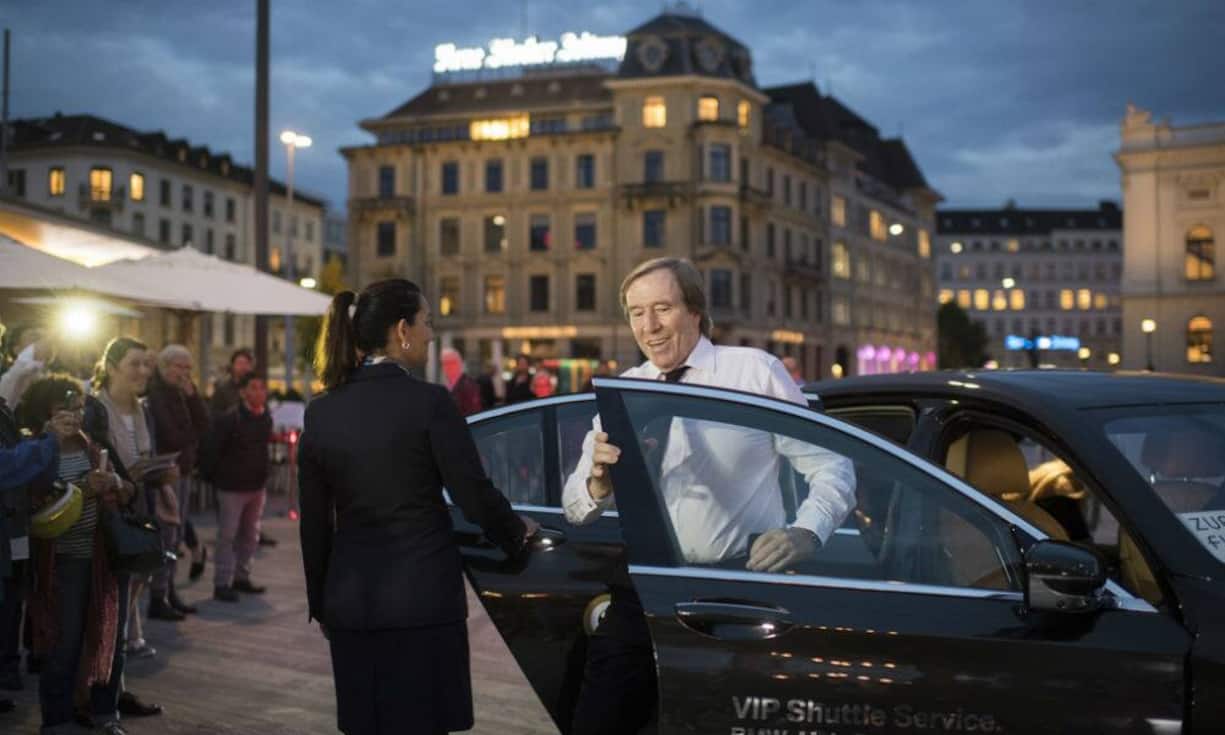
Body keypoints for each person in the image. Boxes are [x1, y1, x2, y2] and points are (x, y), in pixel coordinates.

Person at [561, 258, 856, 735]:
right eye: (636, 313)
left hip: (738, 593)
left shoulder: (754, 373)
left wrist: (807, 532)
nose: (649, 326)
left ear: (695, 311)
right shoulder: (626, 389)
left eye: (662, 308)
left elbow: (832, 466)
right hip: (643, 590)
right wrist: (599, 483)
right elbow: (575, 509)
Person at [298, 279, 537, 735]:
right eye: (427, 322)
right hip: (422, 603)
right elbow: (471, 492)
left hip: (353, 604)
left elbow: (314, 522)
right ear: (402, 330)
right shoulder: (429, 402)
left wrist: (322, 603)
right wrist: (515, 533)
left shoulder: (321, 411)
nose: (431, 334)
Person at [21, 374, 135, 735]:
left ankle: (105, 713)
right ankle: (57, 720)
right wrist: (85, 488)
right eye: (64, 409)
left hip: (103, 557)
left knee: (109, 637)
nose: (74, 415)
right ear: (45, 413)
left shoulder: (93, 446)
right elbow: (36, 508)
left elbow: (129, 489)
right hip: (63, 561)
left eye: (79, 407)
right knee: (64, 642)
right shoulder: (36, 452)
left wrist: (115, 484)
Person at [86, 337, 164, 720]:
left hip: (135, 508)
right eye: (135, 363)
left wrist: (157, 474)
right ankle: (99, 696)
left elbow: (143, 457)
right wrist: (124, 478)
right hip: (106, 517)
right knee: (107, 612)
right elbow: (94, 464)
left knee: (126, 604)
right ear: (112, 365)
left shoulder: (140, 408)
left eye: (146, 364)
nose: (143, 371)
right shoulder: (95, 409)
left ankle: (115, 690)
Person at [145, 345, 209, 619]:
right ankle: (158, 595)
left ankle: (169, 590)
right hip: (166, 473)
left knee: (177, 533)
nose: (184, 373)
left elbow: (204, 424)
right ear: (164, 366)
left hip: (182, 469)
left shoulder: (181, 392)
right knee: (167, 533)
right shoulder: (157, 393)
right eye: (179, 367)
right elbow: (171, 436)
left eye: (188, 368)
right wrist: (191, 437)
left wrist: (193, 397)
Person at [199, 372, 272, 602]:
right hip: (232, 487)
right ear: (242, 392)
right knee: (227, 536)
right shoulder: (229, 419)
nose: (259, 392)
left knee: (250, 535)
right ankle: (221, 582)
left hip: (256, 487)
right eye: (254, 387)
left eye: (262, 388)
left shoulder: (265, 417)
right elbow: (212, 450)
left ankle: (242, 577)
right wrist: (215, 478)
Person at [208, 348, 255, 416]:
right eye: (240, 363)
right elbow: (214, 415)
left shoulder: (256, 388)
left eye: (247, 363)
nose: (244, 367)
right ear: (233, 366)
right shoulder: (222, 389)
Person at [440, 347, 482, 417]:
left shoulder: (468, 386)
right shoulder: (447, 386)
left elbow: (474, 413)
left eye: (452, 363)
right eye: (445, 363)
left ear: (460, 363)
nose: (448, 367)